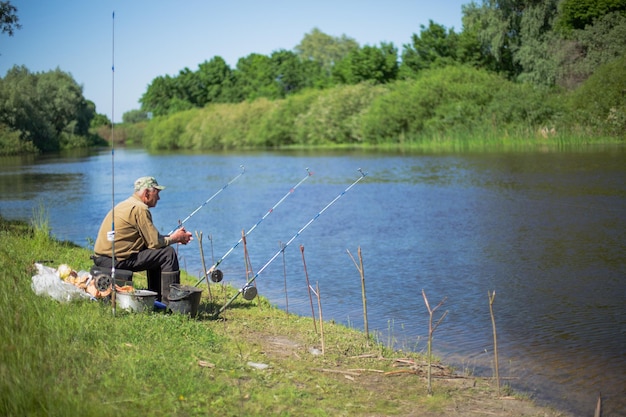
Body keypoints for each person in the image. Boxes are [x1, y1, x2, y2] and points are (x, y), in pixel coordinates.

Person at [92, 176, 192, 304]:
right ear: (146, 193)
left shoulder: (127, 204)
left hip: (103, 258)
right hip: (115, 261)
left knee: (159, 251)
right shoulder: (140, 208)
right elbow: (154, 243)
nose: (159, 198)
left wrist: (172, 237)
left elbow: (151, 240)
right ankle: (171, 303)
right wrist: (176, 238)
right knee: (168, 254)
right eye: (157, 194)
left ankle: (157, 298)